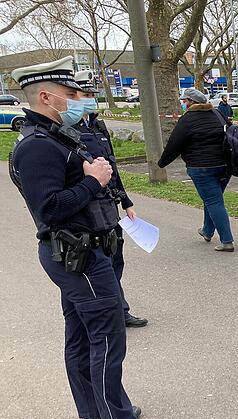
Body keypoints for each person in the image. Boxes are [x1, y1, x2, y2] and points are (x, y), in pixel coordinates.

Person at [9, 56, 166, 419]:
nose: (79, 100)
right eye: (71, 94)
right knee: (107, 338)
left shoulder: (58, 137)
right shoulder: (36, 147)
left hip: (82, 253)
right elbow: (49, 209)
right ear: (46, 97)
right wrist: (93, 182)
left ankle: (96, 412)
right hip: (77, 257)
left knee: (81, 333)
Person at [73, 70, 148, 328]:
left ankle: (119, 309)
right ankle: (106, 313)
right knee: (97, 263)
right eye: (85, 94)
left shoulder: (98, 126)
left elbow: (112, 168)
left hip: (110, 205)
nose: (90, 99)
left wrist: (126, 200)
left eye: (93, 94)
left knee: (116, 259)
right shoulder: (67, 129)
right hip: (87, 207)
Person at [159, 87, 234, 252]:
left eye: (185, 101)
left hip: (202, 168)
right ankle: (207, 231)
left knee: (213, 201)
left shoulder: (188, 120)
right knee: (212, 198)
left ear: (192, 102)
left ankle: (227, 240)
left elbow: (174, 144)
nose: (183, 104)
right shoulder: (217, 114)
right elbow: (231, 132)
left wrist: (161, 163)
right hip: (225, 166)